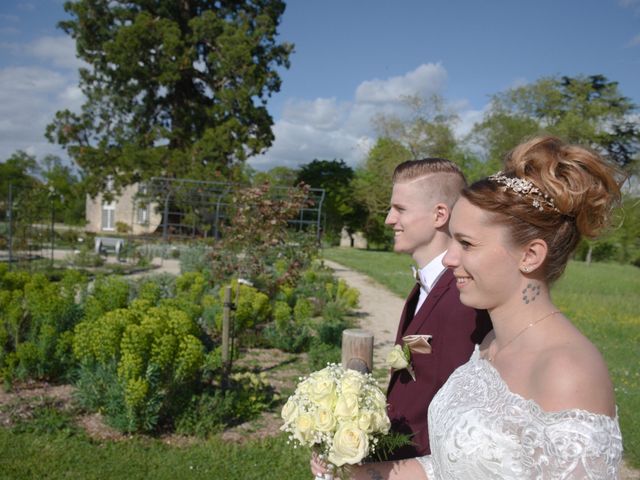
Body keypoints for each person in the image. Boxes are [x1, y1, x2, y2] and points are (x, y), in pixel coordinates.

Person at [311, 136, 624, 479]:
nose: (450, 257)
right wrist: (360, 474)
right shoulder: (489, 343)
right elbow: (448, 467)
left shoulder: (567, 372)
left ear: (530, 255)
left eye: (467, 244)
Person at [383, 159, 492, 459]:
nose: (389, 220)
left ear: (439, 214)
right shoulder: (426, 285)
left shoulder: (463, 297)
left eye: (400, 209)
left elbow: (459, 404)